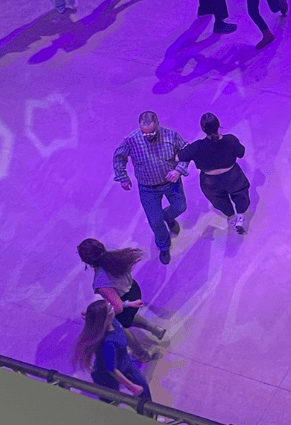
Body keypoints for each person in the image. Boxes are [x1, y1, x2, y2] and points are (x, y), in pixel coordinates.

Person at [112, 111, 188, 265]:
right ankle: (164, 246)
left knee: (181, 206)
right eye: (145, 133)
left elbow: (187, 151)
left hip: (171, 184)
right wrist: (122, 177)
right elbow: (119, 157)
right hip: (148, 188)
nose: (149, 136)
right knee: (155, 221)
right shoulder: (131, 140)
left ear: (158, 123)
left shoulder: (171, 135)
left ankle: (169, 216)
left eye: (152, 132)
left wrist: (178, 170)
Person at [77, 238, 166, 360]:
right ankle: (156, 330)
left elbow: (118, 307)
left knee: (121, 327)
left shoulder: (101, 281)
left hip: (125, 302)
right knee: (130, 317)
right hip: (133, 290)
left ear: (88, 261)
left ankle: (141, 354)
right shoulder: (116, 256)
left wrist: (99, 312)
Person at [178, 112, 251, 234]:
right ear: (218, 125)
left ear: (203, 129)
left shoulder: (197, 147)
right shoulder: (230, 140)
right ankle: (240, 217)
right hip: (232, 175)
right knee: (240, 193)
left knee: (219, 200)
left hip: (209, 181)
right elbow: (241, 152)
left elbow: (180, 156)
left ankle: (231, 217)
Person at [73, 299, 151, 400]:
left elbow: (117, 307)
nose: (113, 308)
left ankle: (151, 414)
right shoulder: (108, 343)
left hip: (125, 363)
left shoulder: (113, 322)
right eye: (110, 309)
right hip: (106, 376)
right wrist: (132, 387)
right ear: (106, 317)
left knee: (144, 390)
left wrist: (129, 304)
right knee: (111, 401)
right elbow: (112, 370)